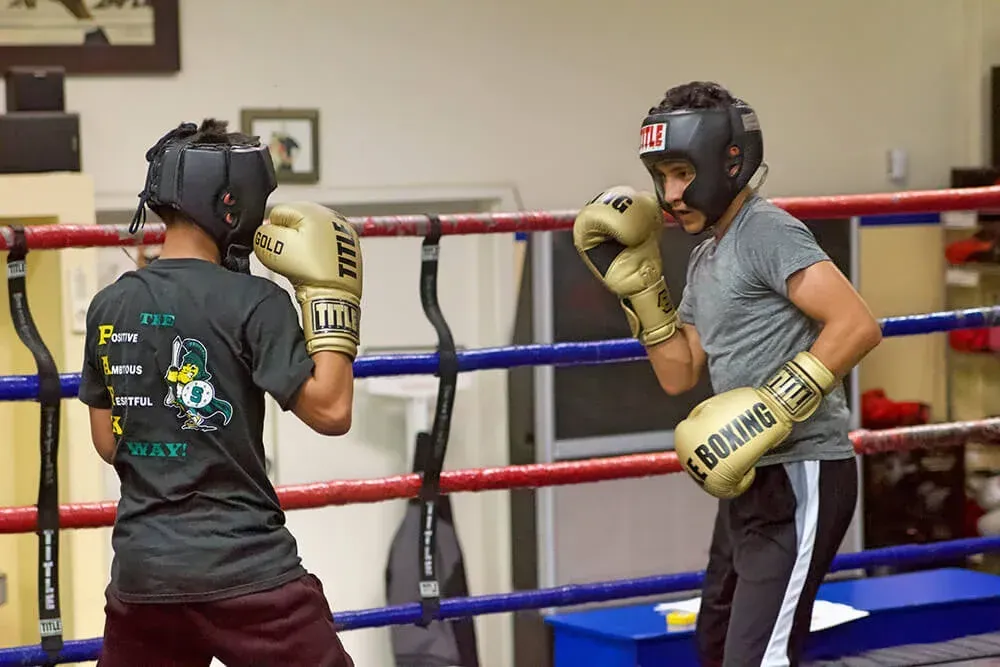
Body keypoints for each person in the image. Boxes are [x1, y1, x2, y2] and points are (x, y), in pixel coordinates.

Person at [573, 81, 883, 666]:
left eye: (681, 174)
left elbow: (856, 324)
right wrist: (641, 290)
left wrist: (773, 405)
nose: (669, 195)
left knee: (758, 657)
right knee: (715, 643)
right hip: (747, 479)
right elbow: (680, 371)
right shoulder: (705, 255)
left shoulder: (766, 232)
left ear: (728, 161)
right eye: (661, 176)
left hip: (801, 472)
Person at [78, 119, 360, 667]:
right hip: (246, 572)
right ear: (231, 203)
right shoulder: (255, 301)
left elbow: (109, 442)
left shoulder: (108, 305)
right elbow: (331, 409)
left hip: (143, 577)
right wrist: (332, 295)